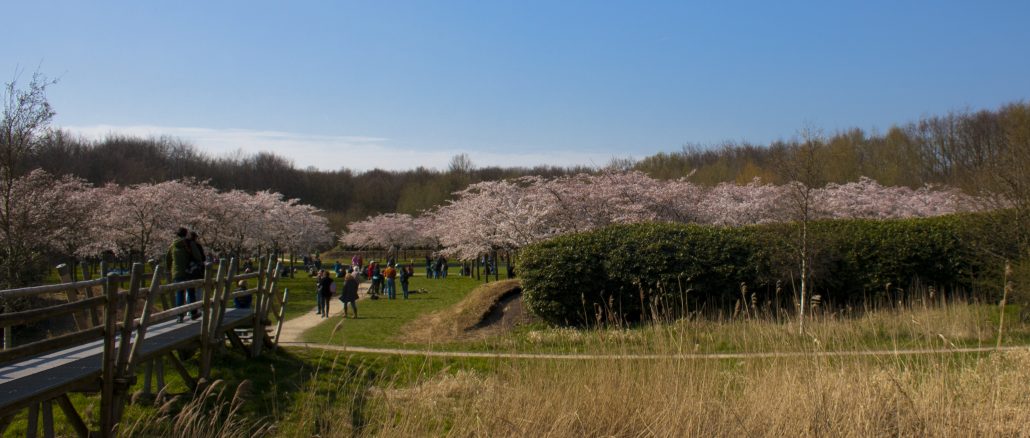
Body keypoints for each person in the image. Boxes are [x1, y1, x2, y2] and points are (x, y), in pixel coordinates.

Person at [166, 227, 194, 323]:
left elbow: (168, 259)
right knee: (190, 292)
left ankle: (179, 316)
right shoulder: (188, 244)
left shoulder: (173, 246)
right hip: (188, 271)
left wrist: (169, 269)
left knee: (179, 293)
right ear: (186, 234)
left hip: (177, 272)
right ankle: (193, 312)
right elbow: (195, 256)